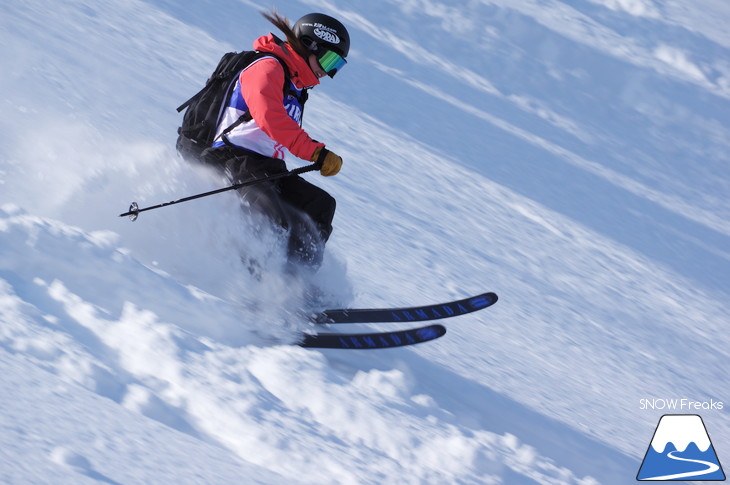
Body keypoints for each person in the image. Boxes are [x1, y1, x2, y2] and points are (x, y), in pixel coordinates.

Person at [200, 11, 350, 272]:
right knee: (271, 221)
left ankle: (299, 284)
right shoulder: (267, 67)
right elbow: (270, 117)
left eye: (336, 65)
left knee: (320, 207)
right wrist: (316, 152)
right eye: (328, 60)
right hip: (233, 158)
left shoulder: (296, 85)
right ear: (308, 45)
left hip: (267, 168)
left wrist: (316, 152)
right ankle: (252, 282)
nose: (328, 72)